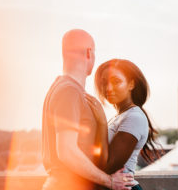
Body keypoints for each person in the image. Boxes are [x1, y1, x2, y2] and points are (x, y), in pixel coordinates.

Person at [42, 30, 134, 190]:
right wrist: (109, 181)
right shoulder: (68, 92)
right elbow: (67, 151)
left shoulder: (63, 88)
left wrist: (101, 120)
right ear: (88, 53)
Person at [85, 59, 161, 190]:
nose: (108, 88)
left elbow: (108, 166)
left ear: (131, 84)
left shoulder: (134, 117)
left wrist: (101, 122)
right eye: (104, 83)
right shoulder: (119, 117)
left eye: (116, 81)